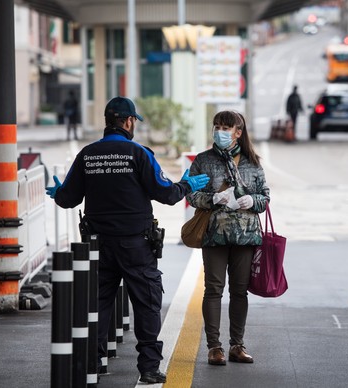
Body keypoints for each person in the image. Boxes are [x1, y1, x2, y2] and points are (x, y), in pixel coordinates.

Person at [45, 96, 210, 384]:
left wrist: (58, 193)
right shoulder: (139, 153)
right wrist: (185, 185)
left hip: (97, 245)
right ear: (129, 121)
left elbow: (68, 199)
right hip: (136, 244)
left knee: (97, 303)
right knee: (147, 303)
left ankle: (92, 363)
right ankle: (148, 368)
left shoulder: (88, 154)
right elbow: (167, 194)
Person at [186, 111, 270, 366]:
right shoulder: (203, 161)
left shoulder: (252, 163)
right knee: (213, 290)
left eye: (226, 127)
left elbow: (265, 197)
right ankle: (214, 347)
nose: (220, 132)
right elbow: (190, 194)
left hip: (245, 237)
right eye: (217, 126)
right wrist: (211, 199)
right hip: (214, 234)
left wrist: (251, 200)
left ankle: (237, 345)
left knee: (239, 291)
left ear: (238, 132)